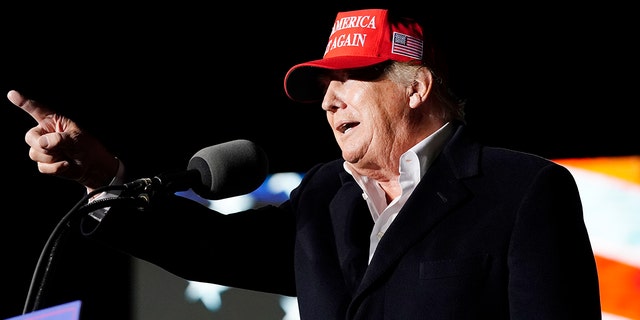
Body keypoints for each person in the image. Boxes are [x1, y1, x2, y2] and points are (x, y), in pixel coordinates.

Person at [8, 7, 601, 320]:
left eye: (349, 78)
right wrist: (101, 177)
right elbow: (211, 247)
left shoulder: (523, 191)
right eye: (323, 86)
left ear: (416, 88)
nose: (329, 99)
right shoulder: (326, 196)